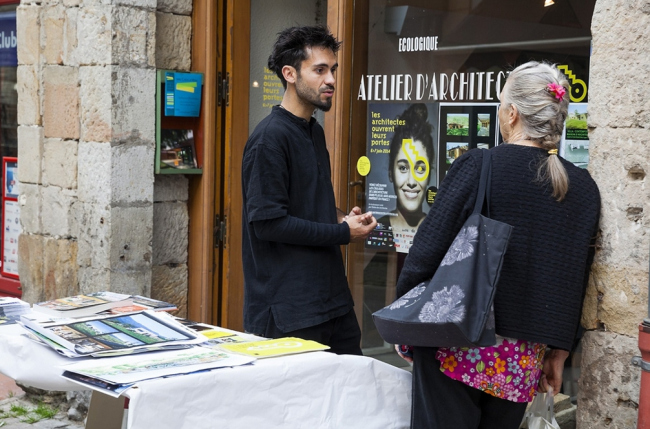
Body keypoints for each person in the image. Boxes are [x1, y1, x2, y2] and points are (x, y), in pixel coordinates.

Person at [393, 61, 601, 428]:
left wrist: (408, 320)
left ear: (512, 113)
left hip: (456, 343)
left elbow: (428, 249)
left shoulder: (480, 164)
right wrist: (561, 349)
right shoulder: (583, 189)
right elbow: (574, 281)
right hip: (521, 360)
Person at [241, 26, 377, 355]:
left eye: (333, 70)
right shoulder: (269, 139)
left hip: (333, 304)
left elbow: (308, 206)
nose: (330, 79)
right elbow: (268, 223)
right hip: (288, 313)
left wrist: (345, 218)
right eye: (319, 70)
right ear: (290, 74)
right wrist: (342, 233)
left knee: (350, 400)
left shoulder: (313, 132)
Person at [377, 103, 435, 250]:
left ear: (429, 175)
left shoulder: (439, 233)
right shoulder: (377, 229)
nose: (411, 181)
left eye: (420, 169)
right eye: (403, 168)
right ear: (391, 173)